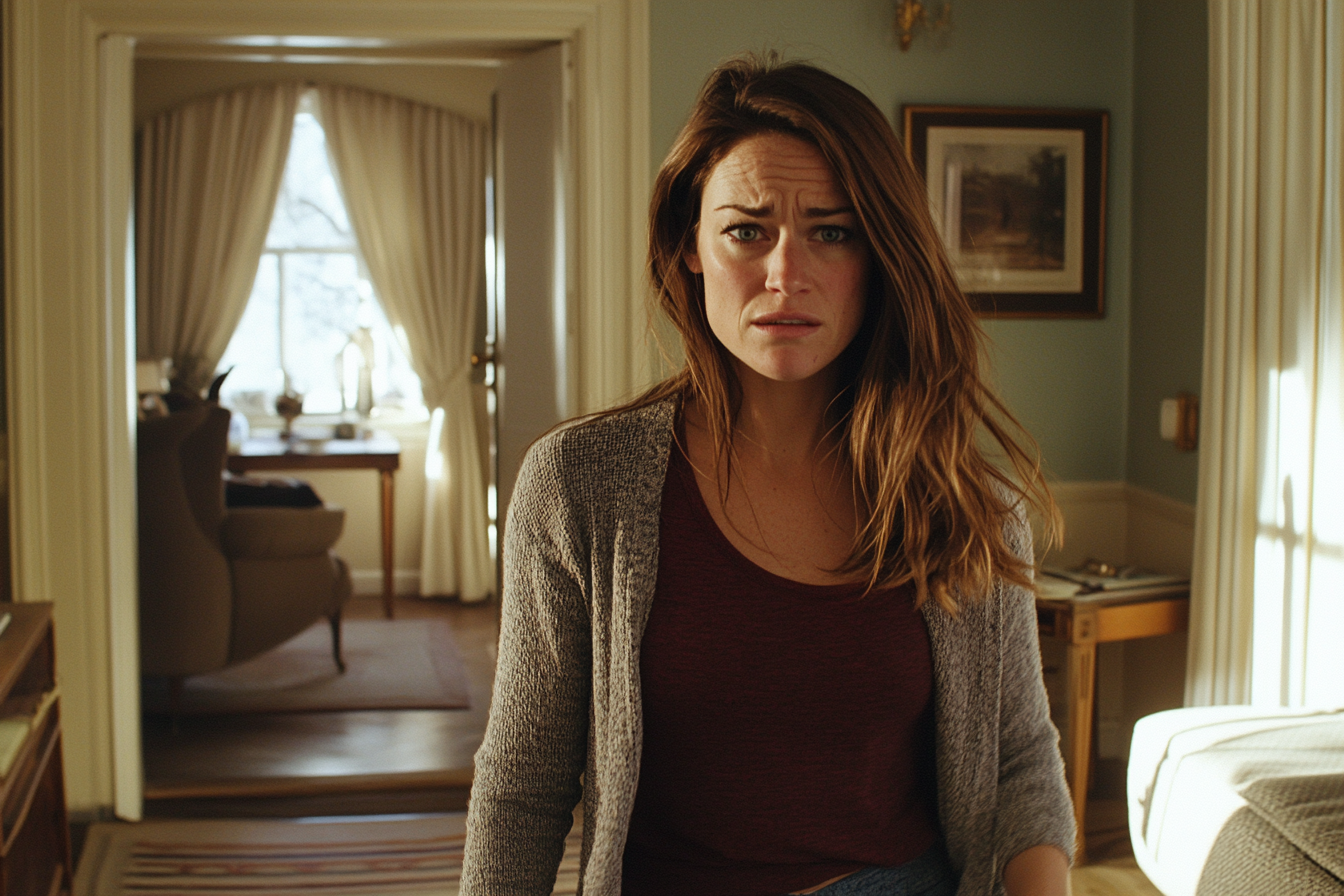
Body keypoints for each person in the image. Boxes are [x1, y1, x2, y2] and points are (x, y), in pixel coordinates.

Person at [462, 54, 1075, 896]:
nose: (787, 273)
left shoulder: (966, 505)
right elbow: (522, 792)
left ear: (880, 255)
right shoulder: (580, 487)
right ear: (689, 247)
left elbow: (1018, 765)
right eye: (748, 231)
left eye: (833, 231)